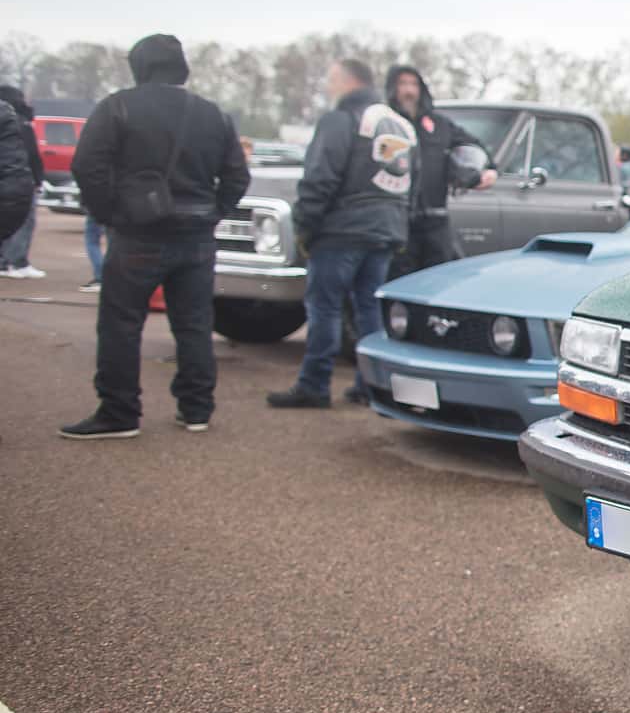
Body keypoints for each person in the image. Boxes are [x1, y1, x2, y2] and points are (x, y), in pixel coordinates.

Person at [60, 34, 249, 439]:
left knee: (121, 324)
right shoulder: (213, 114)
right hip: (197, 235)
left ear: (139, 65)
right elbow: (237, 176)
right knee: (194, 324)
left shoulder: (118, 107)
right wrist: (214, 213)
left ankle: (119, 412)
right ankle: (196, 409)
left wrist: (110, 213)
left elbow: (86, 166)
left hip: (138, 233)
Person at [267, 59, 414, 410]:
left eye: (331, 80)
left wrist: (305, 227)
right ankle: (370, 385)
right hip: (385, 230)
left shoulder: (341, 119)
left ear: (346, 81)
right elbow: (413, 183)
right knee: (369, 310)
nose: (328, 87)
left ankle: (314, 385)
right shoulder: (400, 125)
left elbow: (320, 177)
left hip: (341, 231)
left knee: (325, 307)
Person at [385, 64, 494, 273]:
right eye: (402, 84)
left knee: (438, 279)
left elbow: (474, 147)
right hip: (397, 221)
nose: (409, 90)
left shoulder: (439, 124)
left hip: (435, 221)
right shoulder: (386, 124)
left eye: (413, 84)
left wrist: (488, 171)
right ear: (392, 88)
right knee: (397, 281)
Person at [0, 85, 44, 279]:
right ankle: (16, 261)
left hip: (16, 181)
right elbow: (30, 155)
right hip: (20, 182)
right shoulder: (18, 122)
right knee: (25, 223)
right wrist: (37, 179)